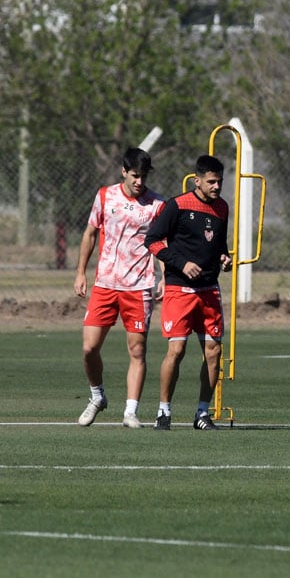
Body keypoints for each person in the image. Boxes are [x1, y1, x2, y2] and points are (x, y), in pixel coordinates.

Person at [73, 147, 167, 429]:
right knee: (89, 348)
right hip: (105, 284)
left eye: (144, 176)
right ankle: (97, 397)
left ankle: (131, 411)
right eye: (135, 175)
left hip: (138, 286)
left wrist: (165, 275)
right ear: (124, 171)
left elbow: (164, 242)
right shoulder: (105, 196)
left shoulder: (157, 205)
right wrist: (80, 272)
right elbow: (90, 233)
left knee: (137, 350)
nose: (140, 181)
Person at [144, 154, 232, 431]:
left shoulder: (222, 208)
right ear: (198, 180)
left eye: (220, 181)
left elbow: (218, 245)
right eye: (211, 181)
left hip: (209, 291)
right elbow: (153, 241)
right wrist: (181, 263)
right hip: (179, 290)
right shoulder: (177, 205)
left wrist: (224, 258)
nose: (217, 186)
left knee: (214, 352)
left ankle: (202, 414)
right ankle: (163, 412)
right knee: (177, 350)